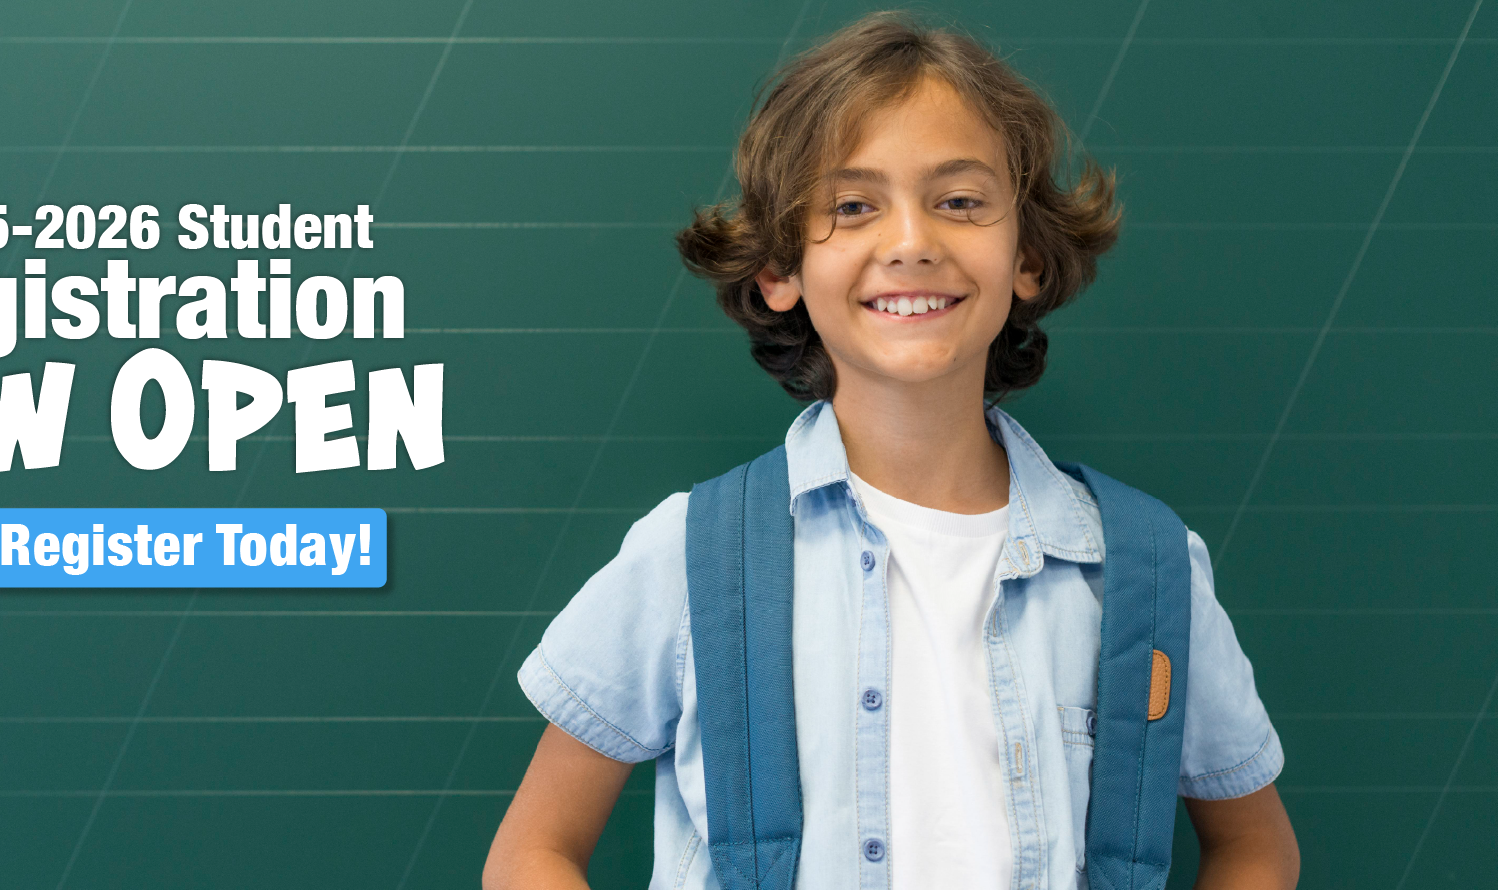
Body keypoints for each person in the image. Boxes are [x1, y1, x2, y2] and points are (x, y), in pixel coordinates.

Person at [483, 10, 1300, 890]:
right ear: (779, 270)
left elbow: (1255, 846)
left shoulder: (1142, 568)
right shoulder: (691, 560)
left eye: (959, 200)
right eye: (852, 206)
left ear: (1026, 254)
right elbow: (535, 851)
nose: (911, 242)